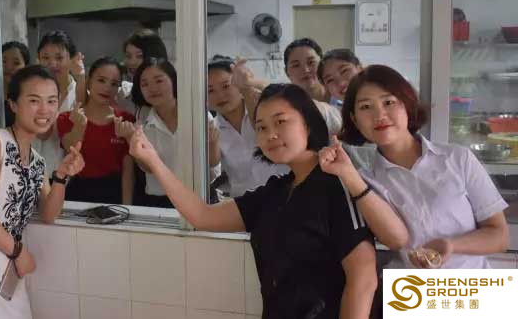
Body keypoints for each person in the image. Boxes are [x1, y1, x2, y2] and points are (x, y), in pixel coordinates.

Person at [128, 83, 408, 318]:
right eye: (261, 127)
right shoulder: (277, 192)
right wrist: (154, 161)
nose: (270, 134)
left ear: (308, 124)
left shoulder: (338, 183)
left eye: (281, 122)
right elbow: (202, 216)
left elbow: (363, 280)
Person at [0, 65, 85, 319]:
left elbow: (49, 214)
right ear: (13, 105)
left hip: (8, 268)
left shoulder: (37, 161)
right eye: (34, 100)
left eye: (51, 101)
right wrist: (20, 253)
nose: (44, 110)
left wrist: (62, 176)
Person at [337, 64, 509, 268]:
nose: (379, 115)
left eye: (389, 102)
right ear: (354, 120)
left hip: (473, 284)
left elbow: (499, 236)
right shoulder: (365, 182)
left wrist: (452, 245)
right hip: (413, 286)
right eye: (366, 107)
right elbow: (394, 241)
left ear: (407, 105)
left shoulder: (457, 158)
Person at [124, 58, 220, 208]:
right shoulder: (142, 124)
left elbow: (213, 163)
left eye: (159, 80)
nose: (152, 88)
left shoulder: (198, 116)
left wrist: (212, 143)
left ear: (174, 81)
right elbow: (148, 169)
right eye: (145, 84)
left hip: (199, 195)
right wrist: (131, 141)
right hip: (161, 200)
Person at [207, 56, 288, 197]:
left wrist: (249, 87)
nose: (220, 95)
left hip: (285, 193)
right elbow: (213, 169)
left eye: (226, 86)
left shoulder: (263, 110)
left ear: (239, 84)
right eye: (210, 90)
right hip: (245, 201)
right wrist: (211, 145)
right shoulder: (211, 129)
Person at [57, 57, 135, 204]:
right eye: (101, 80)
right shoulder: (68, 118)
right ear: (88, 81)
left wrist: (128, 208)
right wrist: (79, 126)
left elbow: (128, 172)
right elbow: (70, 148)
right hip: (77, 192)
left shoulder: (125, 120)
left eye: (114, 84)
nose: (107, 88)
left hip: (113, 194)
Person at [34, 30, 86, 181]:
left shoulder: (80, 92)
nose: (52, 63)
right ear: (38, 59)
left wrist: (81, 78)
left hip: (68, 177)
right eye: (45, 58)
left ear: (71, 59)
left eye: (59, 57)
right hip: (34, 173)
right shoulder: (32, 91)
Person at [116, 28, 169, 116]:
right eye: (128, 56)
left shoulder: (169, 95)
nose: (132, 62)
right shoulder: (125, 94)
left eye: (140, 56)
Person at [283, 38, 329, 102]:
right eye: (296, 65)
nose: (306, 70)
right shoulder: (284, 105)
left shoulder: (340, 95)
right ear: (287, 73)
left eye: (311, 62)